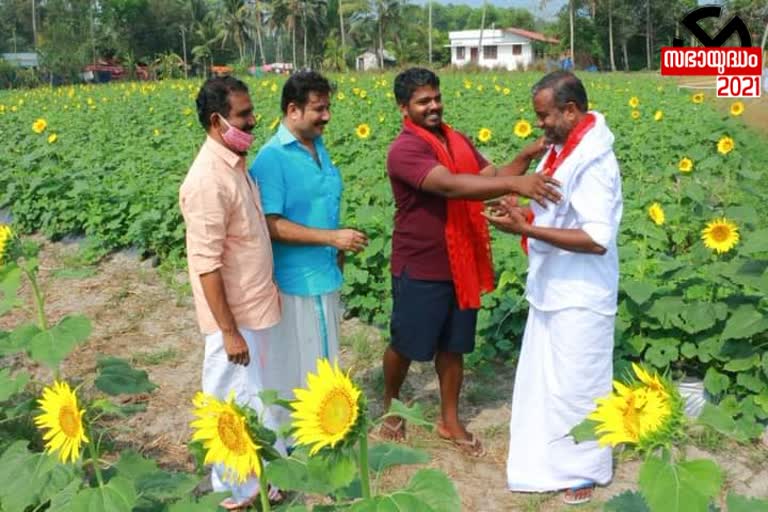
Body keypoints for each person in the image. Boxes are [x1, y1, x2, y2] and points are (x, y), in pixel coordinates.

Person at [380, 67, 561, 457]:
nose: (433, 106)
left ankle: (449, 419)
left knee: (454, 345)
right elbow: (451, 186)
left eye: (436, 98)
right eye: (423, 101)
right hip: (421, 263)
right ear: (403, 108)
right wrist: (516, 184)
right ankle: (392, 406)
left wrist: (525, 157)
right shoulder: (405, 150)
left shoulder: (456, 139)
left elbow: (490, 176)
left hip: (460, 261)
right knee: (406, 342)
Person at [485, 71, 623, 505]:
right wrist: (521, 211)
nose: (538, 124)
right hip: (554, 287)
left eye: (544, 116)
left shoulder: (596, 161)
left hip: (581, 293)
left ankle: (583, 470)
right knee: (547, 384)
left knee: (578, 386)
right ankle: (547, 465)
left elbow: (596, 239)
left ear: (570, 110)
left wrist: (524, 231)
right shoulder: (565, 150)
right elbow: (557, 208)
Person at [179, 76, 286, 510]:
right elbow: (206, 264)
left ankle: (263, 479)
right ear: (216, 121)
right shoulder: (207, 180)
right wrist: (229, 331)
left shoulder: (235, 164)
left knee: (255, 398)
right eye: (243, 116)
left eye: (250, 112)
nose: (253, 121)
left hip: (254, 305)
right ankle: (237, 492)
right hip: (234, 319)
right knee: (229, 407)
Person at [249, 70, 367, 431]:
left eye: (328, 107)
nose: (327, 116)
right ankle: (299, 434)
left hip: (324, 272)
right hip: (297, 278)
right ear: (293, 109)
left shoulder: (317, 146)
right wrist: (331, 239)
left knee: (322, 356)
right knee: (299, 362)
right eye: (319, 109)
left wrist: (337, 247)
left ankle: (321, 426)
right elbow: (269, 223)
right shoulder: (273, 158)